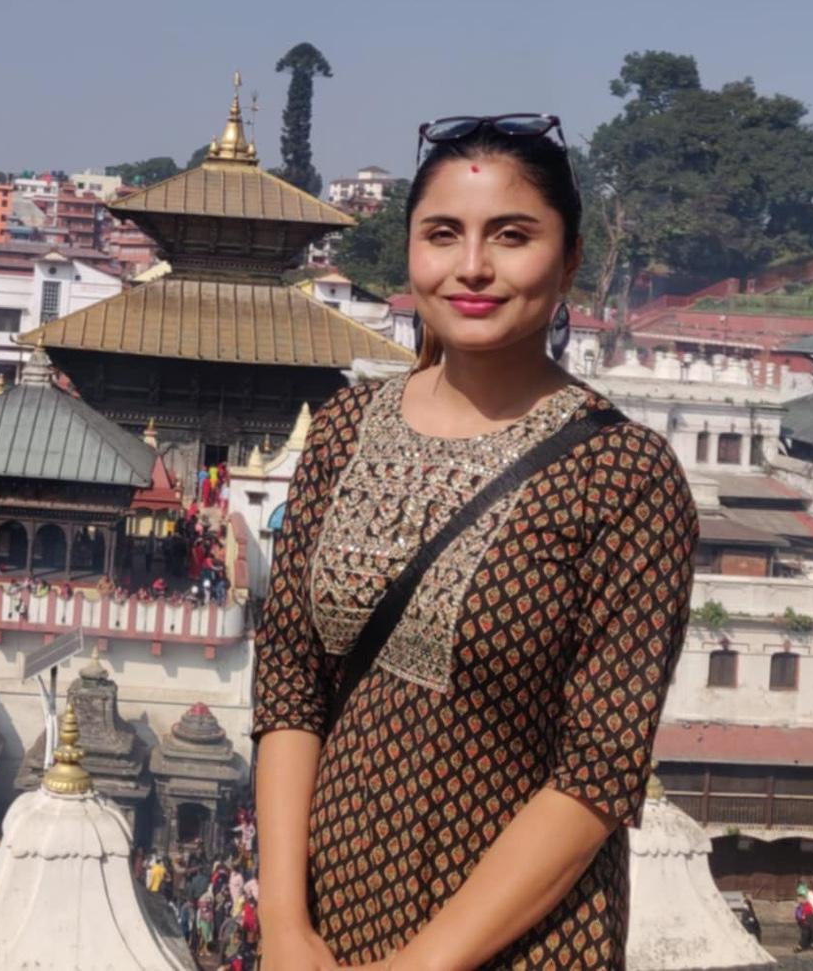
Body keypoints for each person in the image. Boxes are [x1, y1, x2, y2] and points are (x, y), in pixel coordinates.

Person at [252, 114, 698, 971]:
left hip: (518, 944)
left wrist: (420, 966)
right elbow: (290, 686)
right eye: (443, 234)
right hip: (325, 926)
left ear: (568, 261)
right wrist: (284, 927)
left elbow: (599, 773)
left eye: (513, 236)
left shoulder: (623, 474)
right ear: (410, 252)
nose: (473, 267)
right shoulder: (345, 429)